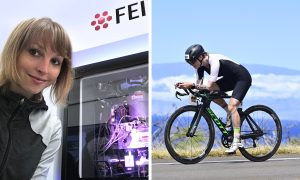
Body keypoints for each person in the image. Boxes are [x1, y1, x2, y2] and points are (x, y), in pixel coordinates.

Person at [0, 17, 73, 180]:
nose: (44, 69)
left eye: (55, 61)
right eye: (35, 52)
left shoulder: (51, 127)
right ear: (14, 51)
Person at [176, 44, 252, 153]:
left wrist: (191, 85)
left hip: (242, 78)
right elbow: (200, 86)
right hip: (229, 79)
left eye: (192, 62)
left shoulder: (214, 61)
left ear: (201, 57)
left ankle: (237, 140)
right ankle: (229, 113)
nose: (192, 65)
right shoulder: (199, 68)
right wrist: (190, 91)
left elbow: (210, 85)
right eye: (189, 63)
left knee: (232, 105)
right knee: (208, 92)